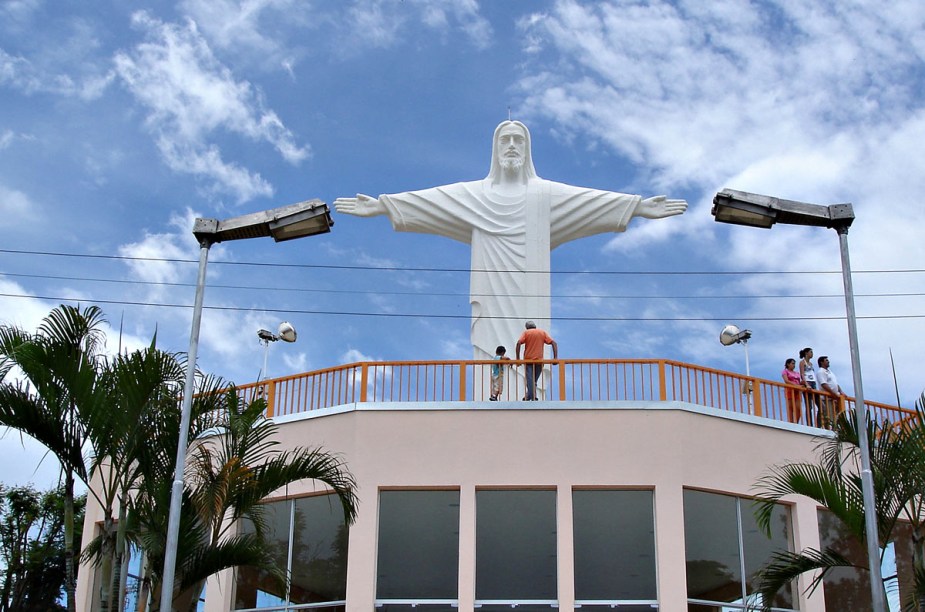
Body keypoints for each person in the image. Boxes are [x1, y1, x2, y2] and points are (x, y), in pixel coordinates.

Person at [334, 120, 686, 363]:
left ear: (528, 149)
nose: (513, 145)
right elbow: (432, 200)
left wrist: (636, 207)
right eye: (506, 140)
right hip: (490, 298)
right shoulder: (476, 195)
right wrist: (383, 206)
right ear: (495, 148)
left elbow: (590, 201)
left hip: (531, 293)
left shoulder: (544, 196)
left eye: (519, 140)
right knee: (489, 361)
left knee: (531, 370)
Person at [515, 321, 558, 401]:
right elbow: (554, 343)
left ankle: (532, 397)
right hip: (539, 361)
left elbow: (518, 343)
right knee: (533, 381)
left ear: (527, 327)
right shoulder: (542, 332)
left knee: (530, 380)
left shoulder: (526, 333)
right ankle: (529, 396)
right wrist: (555, 358)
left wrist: (518, 359)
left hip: (529, 361)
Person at [817, 355, 846, 428]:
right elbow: (823, 384)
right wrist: (833, 393)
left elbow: (835, 384)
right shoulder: (821, 372)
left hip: (835, 398)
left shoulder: (830, 372)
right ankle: (831, 430)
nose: (828, 361)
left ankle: (837, 429)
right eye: (826, 360)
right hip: (828, 399)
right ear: (821, 362)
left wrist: (841, 391)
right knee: (830, 416)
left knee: (838, 415)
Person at [799, 347, 818, 422]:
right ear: (806, 353)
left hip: (813, 383)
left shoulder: (811, 364)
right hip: (808, 382)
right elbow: (802, 374)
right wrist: (806, 384)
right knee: (809, 405)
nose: (812, 354)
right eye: (811, 352)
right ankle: (810, 423)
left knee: (820, 405)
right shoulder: (802, 362)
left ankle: (819, 424)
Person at [781, 358, 803, 424]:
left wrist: (802, 384)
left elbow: (799, 381)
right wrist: (795, 385)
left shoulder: (797, 373)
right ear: (788, 364)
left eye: (794, 364)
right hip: (790, 390)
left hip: (797, 391)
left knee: (798, 408)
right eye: (792, 363)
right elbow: (786, 380)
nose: (794, 365)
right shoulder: (785, 371)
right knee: (790, 408)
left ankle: (796, 422)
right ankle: (791, 423)